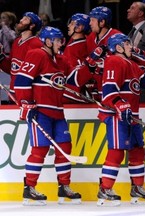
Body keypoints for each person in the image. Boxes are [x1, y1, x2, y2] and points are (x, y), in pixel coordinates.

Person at [13, 26, 95, 205]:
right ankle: (30, 189)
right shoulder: (37, 54)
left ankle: (64, 187)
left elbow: (73, 80)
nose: (61, 43)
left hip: (58, 112)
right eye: (58, 40)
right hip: (39, 111)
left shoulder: (60, 59)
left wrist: (90, 63)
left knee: (65, 148)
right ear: (48, 41)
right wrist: (25, 103)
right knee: (39, 150)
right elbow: (21, 81)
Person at [96, 33, 145, 206]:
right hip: (116, 114)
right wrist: (120, 105)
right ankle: (105, 188)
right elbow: (109, 91)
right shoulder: (114, 61)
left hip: (132, 115)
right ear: (119, 48)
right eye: (128, 44)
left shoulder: (132, 64)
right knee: (116, 150)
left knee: (137, 150)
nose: (131, 46)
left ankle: (137, 187)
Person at [0, 12, 43, 102]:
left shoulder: (36, 44)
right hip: (13, 93)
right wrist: (1, 56)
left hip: (26, 95)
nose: (21, 20)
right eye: (22, 18)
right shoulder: (16, 42)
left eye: (25, 19)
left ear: (32, 26)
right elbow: (11, 68)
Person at [85, 6, 121, 101]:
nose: (90, 23)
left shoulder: (117, 37)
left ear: (102, 22)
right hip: (96, 88)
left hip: (113, 88)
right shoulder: (90, 38)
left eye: (92, 20)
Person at [127, 1, 145, 103]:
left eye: (132, 8)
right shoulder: (132, 31)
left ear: (140, 13)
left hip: (144, 86)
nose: (128, 10)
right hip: (133, 82)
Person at [62, 13, 90, 103]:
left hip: (74, 92)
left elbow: (75, 76)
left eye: (72, 23)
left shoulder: (77, 47)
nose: (69, 25)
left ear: (80, 27)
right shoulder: (76, 40)